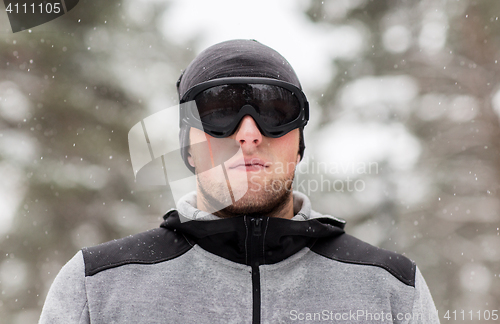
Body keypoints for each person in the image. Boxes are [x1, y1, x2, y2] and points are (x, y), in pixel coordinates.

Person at [39, 39, 440, 323]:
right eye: (219, 111)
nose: (248, 133)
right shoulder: (97, 286)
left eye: (275, 110)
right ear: (188, 147)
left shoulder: (390, 289)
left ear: (299, 145)